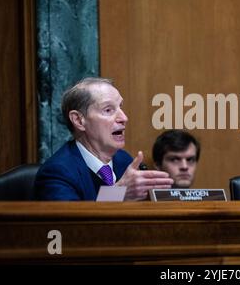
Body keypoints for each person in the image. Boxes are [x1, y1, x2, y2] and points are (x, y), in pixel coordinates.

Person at [34, 77, 174, 201]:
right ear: (78, 120)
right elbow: (73, 226)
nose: (124, 118)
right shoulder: (57, 172)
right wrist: (119, 193)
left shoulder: (124, 160)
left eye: (120, 107)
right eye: (108, 110)